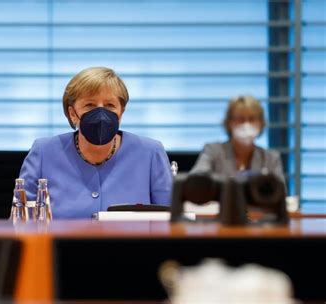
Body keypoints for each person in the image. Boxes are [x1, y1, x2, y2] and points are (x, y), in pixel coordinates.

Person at [20, 67, 173, 219]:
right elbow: (21, 222)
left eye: (110, 105)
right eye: (90, 105)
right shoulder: (44, 153)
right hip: (61, 244)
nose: (101, 113)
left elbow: (171, 222)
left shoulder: (150, 153)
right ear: (73, 114)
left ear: (121, 112)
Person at [190, 95, 285, 184]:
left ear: (261, 123)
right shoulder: (213, 151)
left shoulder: (271, 158)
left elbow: (280, 195)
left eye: (252, 119)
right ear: (229, 123)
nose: (246, 124)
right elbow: (196, 180)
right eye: (240, 119)